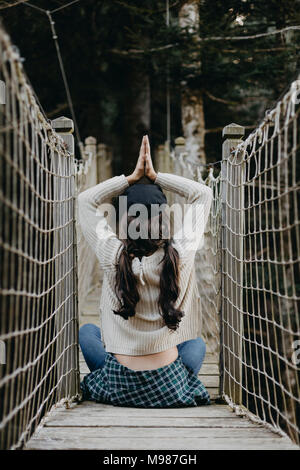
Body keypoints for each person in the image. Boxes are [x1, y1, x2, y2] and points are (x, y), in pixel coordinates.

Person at [77, 135, 213, 408]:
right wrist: (156, 175)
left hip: (120, 385)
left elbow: (84, 201)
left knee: (87, 331)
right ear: (164, 219)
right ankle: (163, 383)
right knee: (196, 344)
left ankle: (128, 379)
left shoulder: (112, 255)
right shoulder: (181, 254)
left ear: (123, 222)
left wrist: (130, 178)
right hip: (169, 385)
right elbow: (204, 194)